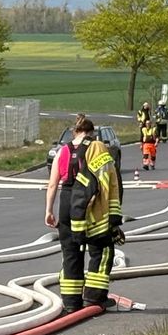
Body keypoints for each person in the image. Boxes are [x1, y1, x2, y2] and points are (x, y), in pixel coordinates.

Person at [44, 114, 122, 313]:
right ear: (91, 132)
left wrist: (49, 210)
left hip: (66, 202)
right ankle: (94, 298)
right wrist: (112, 216)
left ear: (74, 132)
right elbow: (107, 180)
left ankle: (71, 302)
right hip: (90, 203)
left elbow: (53, 184)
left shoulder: (62, 151)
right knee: (101, 249)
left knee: (71, 252)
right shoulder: (97, 148)